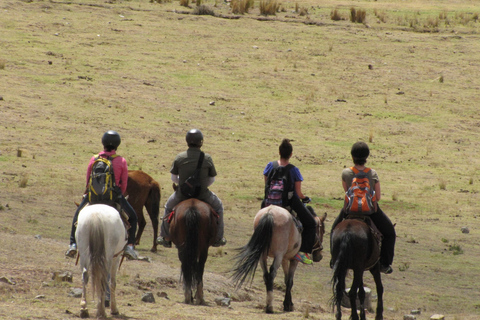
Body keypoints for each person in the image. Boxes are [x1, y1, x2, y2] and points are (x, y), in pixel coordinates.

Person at [65, 130, 139, 260]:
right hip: (113, 197)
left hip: (93, 196)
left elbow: (88, 181)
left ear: (103, 143)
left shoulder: (94, 159)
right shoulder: (121, 161)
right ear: (117, 145)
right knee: (133, 217)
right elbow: (124, 185)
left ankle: (73, 244)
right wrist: (118, 195)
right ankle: (130, 246)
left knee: (77, 216)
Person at [331, 141, 396, 274]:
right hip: (370, 212)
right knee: (390, 233)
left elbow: (347, 192)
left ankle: (334, 260)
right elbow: (377, 197)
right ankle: (384, 264)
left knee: (333, 231)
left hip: (349, 210)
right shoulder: (372, 173)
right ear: (367, 156)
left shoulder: (346, 173)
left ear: (352, 156)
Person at [157, 129, 226, 248]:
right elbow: (211, 179)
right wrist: (202, 186)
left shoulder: (179, 157)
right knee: (219, 207)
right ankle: (219, 238)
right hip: (203, 194)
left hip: (182, 194)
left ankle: (165, 236)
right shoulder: (207, 158)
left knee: (168, 207)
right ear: (201, 142)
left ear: (187, 141)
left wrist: (184, 185)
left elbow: (174, 178)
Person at [262, 139, 317, 265]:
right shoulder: (293, 170)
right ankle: (303, 252)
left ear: (279, 152)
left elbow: (266, 184)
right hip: (287, 203)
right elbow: (298, 193)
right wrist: (305, 198)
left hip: (268, 202)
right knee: (311, 223)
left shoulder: (270, 166)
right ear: (291, 154)